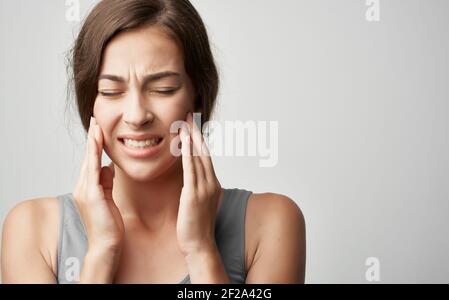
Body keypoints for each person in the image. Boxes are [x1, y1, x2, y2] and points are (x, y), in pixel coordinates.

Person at [1, 0, 305, 284]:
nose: (136, 115)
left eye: (163, 88)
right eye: (110, 91)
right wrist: (101, 254)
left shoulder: (270, 223)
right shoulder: (32, 230)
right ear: (89, 104)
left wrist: (201, 251)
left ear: (197, 98)